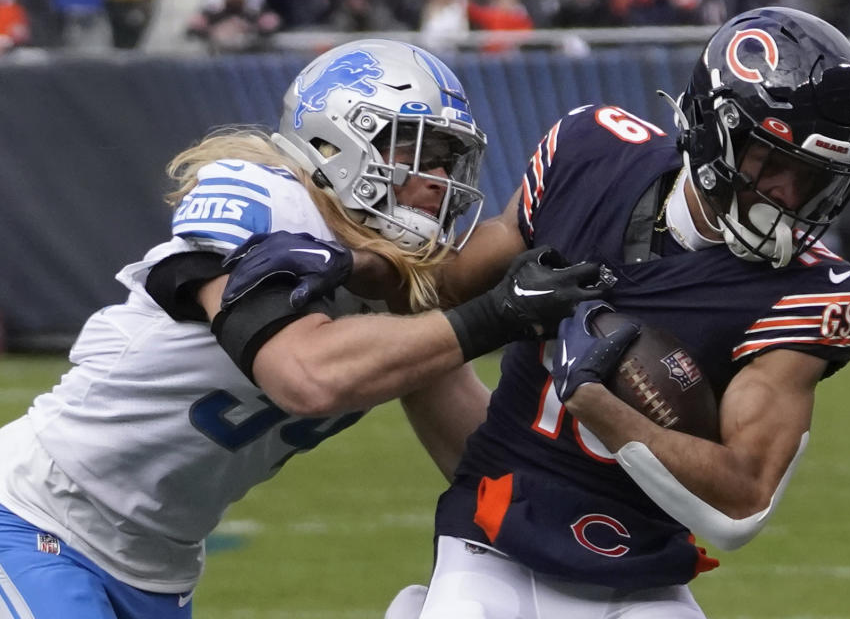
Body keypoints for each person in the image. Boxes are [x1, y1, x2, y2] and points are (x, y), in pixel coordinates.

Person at [0, 39, 607, 619]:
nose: (434, 179)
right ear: (337, 140)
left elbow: (479, 456)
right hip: (39, 513)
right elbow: (303, 376)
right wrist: (496, 314)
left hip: (159, 566)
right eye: (415, 152)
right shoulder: (266, 197)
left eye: (447, 159)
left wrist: (604, 481)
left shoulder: (394, 276)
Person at [391, 6, 850, 617]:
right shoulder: (592, 153)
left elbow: (741, 505)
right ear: (711, 131)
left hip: (644, 569)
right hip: (492, 537)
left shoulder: (811, 290)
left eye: (813, 179)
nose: (789, 196)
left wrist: (601, 405)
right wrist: (497, 305)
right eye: (772, 164)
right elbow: (435, 291)